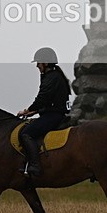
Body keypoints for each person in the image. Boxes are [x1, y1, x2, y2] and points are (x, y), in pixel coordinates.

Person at [16, 47, 71, 177]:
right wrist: (34, 112)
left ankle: (35, 166)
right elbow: (47, 101)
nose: (37, 66)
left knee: (25, 134)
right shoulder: (54, 75)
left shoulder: (52, 77)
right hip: (53, 113)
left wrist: (28, 110)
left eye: (38, 63)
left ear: (45, 63)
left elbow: (42, 98)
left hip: (54, 116)